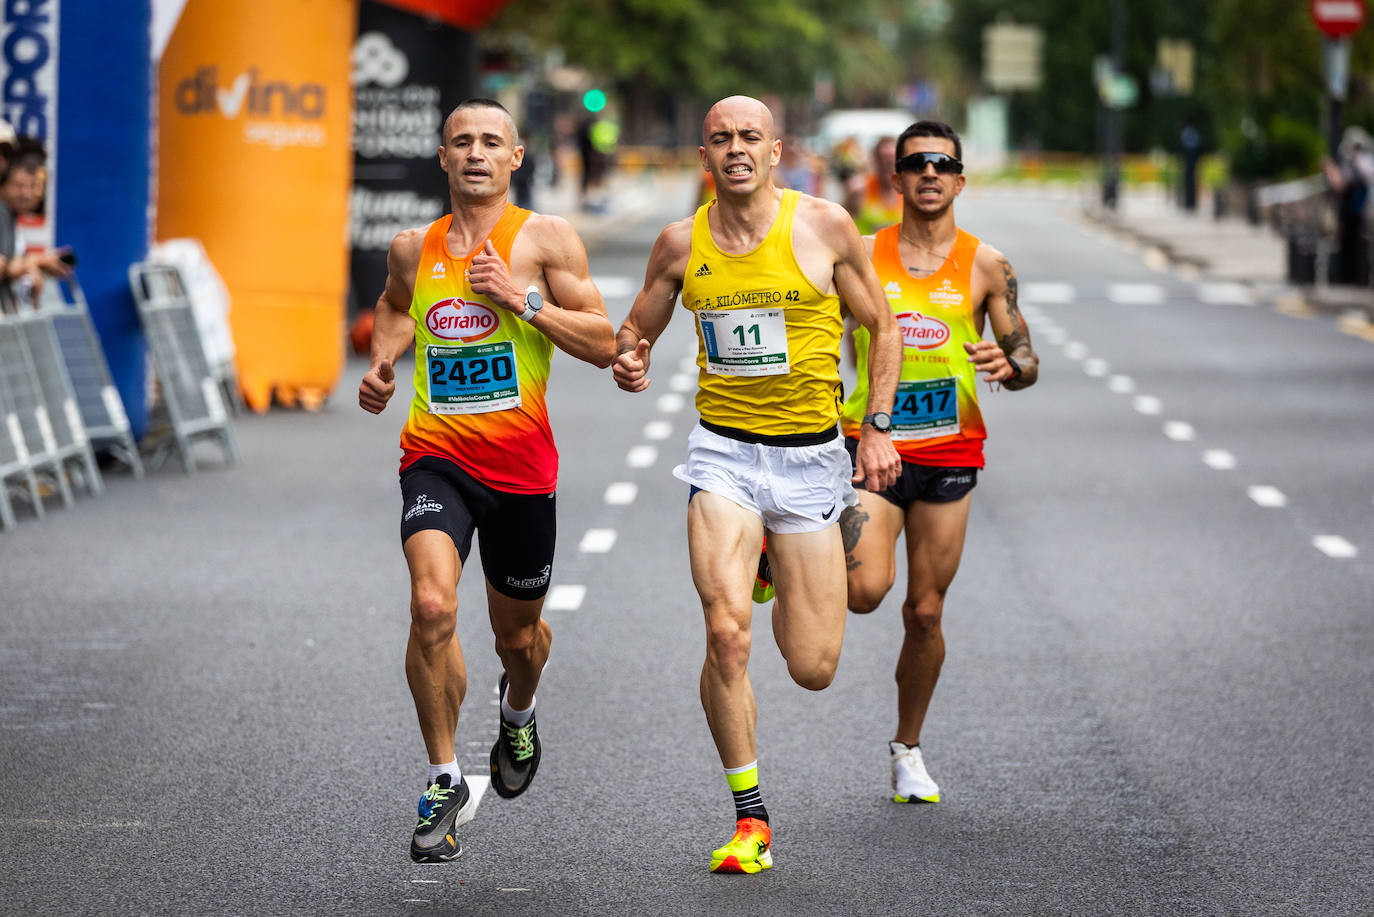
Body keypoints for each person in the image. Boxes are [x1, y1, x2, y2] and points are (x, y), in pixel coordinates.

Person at [612, 95, 902, 874]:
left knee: (813, 667)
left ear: (776, 151)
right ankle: (751, 818)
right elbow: (636, 329)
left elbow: (882, 325)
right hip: (724, 456)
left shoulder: (824, 226)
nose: (735, 148)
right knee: (727, 630)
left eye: (749, 136)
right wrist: (631, 355)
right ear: (703, 157)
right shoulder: (680, 243)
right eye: (720, 139)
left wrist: (875, 424)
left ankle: (774, 561)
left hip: (810, 459)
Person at [358, 98, 615, 863]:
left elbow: (602, 341)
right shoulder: (415, 246)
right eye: (461, 141)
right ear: (442, 158)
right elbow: (397, 308)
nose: (475, 152)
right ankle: (443, 775)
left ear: (516, 156)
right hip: (435, 455)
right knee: (432, 602)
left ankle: (520, 708)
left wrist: (520, 299)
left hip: (523, 473)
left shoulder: (544, 239)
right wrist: (382, 360)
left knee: (519, 638)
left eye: (490, 142)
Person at [838, 120, 1038, 804]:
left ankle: (908, 749)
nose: (929, 173)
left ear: (959, 178)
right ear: (895, 179)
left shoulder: (987, 264)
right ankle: (790, 553)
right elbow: (817, 335)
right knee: (864, 592)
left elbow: (1028, 356)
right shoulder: (861, 254)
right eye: (916, 163)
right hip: (874, 446)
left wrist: (1008, 364)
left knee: (924, 612)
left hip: (952, 451)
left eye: (942, 163)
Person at [1323, 126, 1374, 286]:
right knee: (1351, 247)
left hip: (1355, 212)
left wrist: (1330, 169)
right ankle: (1352, 278)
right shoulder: (1360, 162)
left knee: (1353, 247)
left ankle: (1351, 279)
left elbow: (1340, 184)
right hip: (1355, 211)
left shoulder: (1361, 162)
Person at [844, 135, 902, 235]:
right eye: (883, 159)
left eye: (891, 160)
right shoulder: (858, 190)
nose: (887, 165)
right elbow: (841, 227)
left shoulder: (910, 193)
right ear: (874, 160)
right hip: (867, 250)